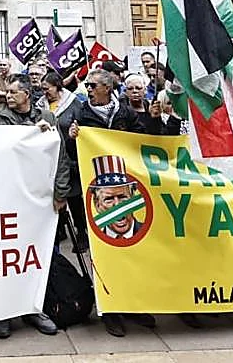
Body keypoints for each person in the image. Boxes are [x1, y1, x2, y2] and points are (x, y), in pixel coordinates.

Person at [66, 69, 153, 337]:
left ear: (107, 87)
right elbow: (72, 154)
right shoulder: (82, 115)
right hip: (99, 195)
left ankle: (133, 305)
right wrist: (73, 138)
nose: (89, 89)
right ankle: (110, 309)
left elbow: (142, 140)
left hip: (127, 191)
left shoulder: (125, 113)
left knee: (131, 248)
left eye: (93, 85)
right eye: (87, 85)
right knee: (104, 251)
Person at [0, 75, 64, 339]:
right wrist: (34, 130)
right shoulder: (1, 116)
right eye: (7, 92)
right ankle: (4, 312)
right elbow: (10, 147)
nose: (8, 96)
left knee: (37, 253)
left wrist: (61, 191)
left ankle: (34, 308)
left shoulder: (48, 116)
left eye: (13, 92)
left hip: (41, 196)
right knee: (7, 253)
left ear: (27, 95)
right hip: (12, 194)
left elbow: (60, 154)